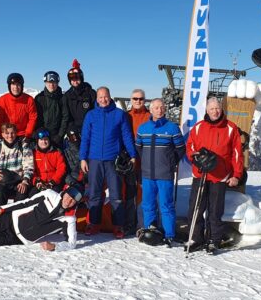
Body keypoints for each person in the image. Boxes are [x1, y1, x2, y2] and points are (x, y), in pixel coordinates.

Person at [185, 98, 243, 254]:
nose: (215, 111)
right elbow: (190, 147)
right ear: (206, 110)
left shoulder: (231, 128)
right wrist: (195, 157)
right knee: (195, 208)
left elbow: (237, 153)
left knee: (215, 210)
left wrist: (236, 174)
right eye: (211, 109)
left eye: (217, 108)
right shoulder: (198, 127)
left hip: (220, 175)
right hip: (201, 174)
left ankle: (213, 240)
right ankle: (196, 238)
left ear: (221, 109)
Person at [79, 86, 137, 238]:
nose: (103, 99)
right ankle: (93, 224)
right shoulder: (91, 115)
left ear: (110, 97)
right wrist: (83, 158)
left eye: (105, 96)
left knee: (116, 195)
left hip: (113, 159)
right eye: (100, 97)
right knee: (94, 194)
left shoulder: (119, 114)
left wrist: (132, 154)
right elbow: (85, 138)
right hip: (95, 160)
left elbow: (126, 136)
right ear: (96, 99)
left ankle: (118, 226)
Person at [135, 99, 185, 246]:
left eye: (162, 107)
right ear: (151, 110)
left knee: (166, 205)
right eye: (156, 108)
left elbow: (180, 149)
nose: (159, 110)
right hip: (147, 174)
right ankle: (151, 229)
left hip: (165, 174)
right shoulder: (143, 129)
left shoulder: (172, 128)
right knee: (148, 204)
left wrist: (170, 163)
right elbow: (139, 148)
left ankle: (169, 233)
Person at [0, 123, 34, 211]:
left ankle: (17, 219)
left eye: (12, 133)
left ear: (16, 133)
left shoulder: (23, 147)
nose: (10, 136)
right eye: (7, 133)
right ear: (2, 134)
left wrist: (25, 181)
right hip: (3, 182)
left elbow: (29, 166)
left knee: (21, 196)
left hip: (19, 181)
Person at [123, 88, 150, 234]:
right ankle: (130, 223)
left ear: (144, 100)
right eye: (135, 99)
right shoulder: (126, 116)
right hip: (130, 160)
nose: (138, 101)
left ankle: (147, 224)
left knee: (147, 193)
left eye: (140, 99)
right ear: (131, 100)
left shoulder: (150, 116)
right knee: (130, 193)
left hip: (146, 161)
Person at [0, 73, 38, 140]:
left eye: (18, 85)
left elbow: (32, 118)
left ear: (22, 86)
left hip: (24, 135)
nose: (16, 87)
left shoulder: (29, 100)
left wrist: (28, 135)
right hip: (8, 136)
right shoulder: (3, 100)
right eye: (13, 84)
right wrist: (2, 135)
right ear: (9, 86)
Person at [30, 129, 67, 196]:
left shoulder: (56, 152)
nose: (44, 142)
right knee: (33, 194)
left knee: (53, 195)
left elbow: (61, 168)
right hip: (40, 182)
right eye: (41, 140)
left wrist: (53, 181)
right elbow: (31, 169)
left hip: (54, 182)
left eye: (46, 139)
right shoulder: (33, 153)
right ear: (37, 141)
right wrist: (36, 181)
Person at [34, 71, 66, 146]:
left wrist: (60, 135)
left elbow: (65, 117)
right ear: (45, 82)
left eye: (54, 82)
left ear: (58, 83)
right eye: (49, 82)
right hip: (42, 136)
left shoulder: (62, 98)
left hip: (58, 135)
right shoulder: (39, 98)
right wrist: (39, 133)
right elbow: (36, 118)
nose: (51, 85)